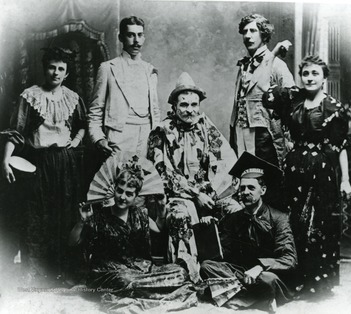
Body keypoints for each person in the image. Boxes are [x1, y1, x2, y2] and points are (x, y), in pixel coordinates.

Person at [262, 55, 351, 298]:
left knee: (318, 224)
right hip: (293, 170)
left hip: (321, 173)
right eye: (305, 73)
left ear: (324, 77)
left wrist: (345, 179)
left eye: (315, 73)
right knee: (293, 223)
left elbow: (340, 145)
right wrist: (273, 56)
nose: (310, 78)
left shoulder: (334, 107)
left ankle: (317, 284)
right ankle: (293, 278)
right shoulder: (292, 99)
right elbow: (268, 94)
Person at [1, 47, 86, 284]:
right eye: (52, 67)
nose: (56, 73)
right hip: (38, 161)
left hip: (65, 162)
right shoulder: (30, 96)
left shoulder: (72, 98)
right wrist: (5, 159)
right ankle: (36, 273)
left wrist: (76, 141)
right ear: (44, 68)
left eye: (61, 69)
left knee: (66, 213)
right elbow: (16, 132)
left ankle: (64, 270)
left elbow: (82, 124)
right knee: (37, 215)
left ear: (67, 73)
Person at [69, 158, 197, 312]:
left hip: (138, 268)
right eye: (120, 190)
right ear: (114, 188)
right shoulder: (98, 216)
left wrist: (162, 206)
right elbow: (72, 242)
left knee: (180, 272)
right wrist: (82, 221)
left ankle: (150, 287)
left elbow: (158, 228)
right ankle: (157, 288)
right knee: (125, 281)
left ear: (136, 196)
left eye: (129, 194)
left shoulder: (140, 214)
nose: (122, 197)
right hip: (108, 273)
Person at [147, 72, 241, 283]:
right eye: (184, 105)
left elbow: (223, 161)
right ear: (174, 106)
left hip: (208, 193)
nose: (190, 110)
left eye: (194, 104)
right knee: (180, 216)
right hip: (176, 196)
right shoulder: (161, 132)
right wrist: (195, 194)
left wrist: (214, 194)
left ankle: (229, 270)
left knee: (235, 210)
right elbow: (162, 172)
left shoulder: (206, 127)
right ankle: (187, 274)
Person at [200, 152, 297, 313]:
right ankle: (257, 298)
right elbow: (222, 255)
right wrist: (209, 230)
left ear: (263, 190)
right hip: (241, 272)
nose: (245, 192)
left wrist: (260, 267)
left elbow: (289, 259)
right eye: (243, 188)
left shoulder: (280, 218)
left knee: (267, 280)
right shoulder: (233, 218)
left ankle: (236, 295)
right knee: (206, 267)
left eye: (251, 188)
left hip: (267, 273)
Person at [88, 16, 160, 160]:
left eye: (139, 35)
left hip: (146, 138)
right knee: (119, 180)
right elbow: (95, 112)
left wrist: (157, 139)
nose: (136, 41)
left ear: (144, 37)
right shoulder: (108, 68)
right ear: (121, 37)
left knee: (145, 180)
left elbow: (155, 111)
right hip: (119, 137)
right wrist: (99, 139)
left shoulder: (150, 70)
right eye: (130, 35)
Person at [229, 14, 295, 168]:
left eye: (253, 31)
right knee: (246, 178)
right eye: (245, 32)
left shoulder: (277, 65)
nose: (247, 36)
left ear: (264, 34)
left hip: (266, 136)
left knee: (267, 182)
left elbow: (292, 99)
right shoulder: (243, 66)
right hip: (241, 132)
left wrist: (288, 136)